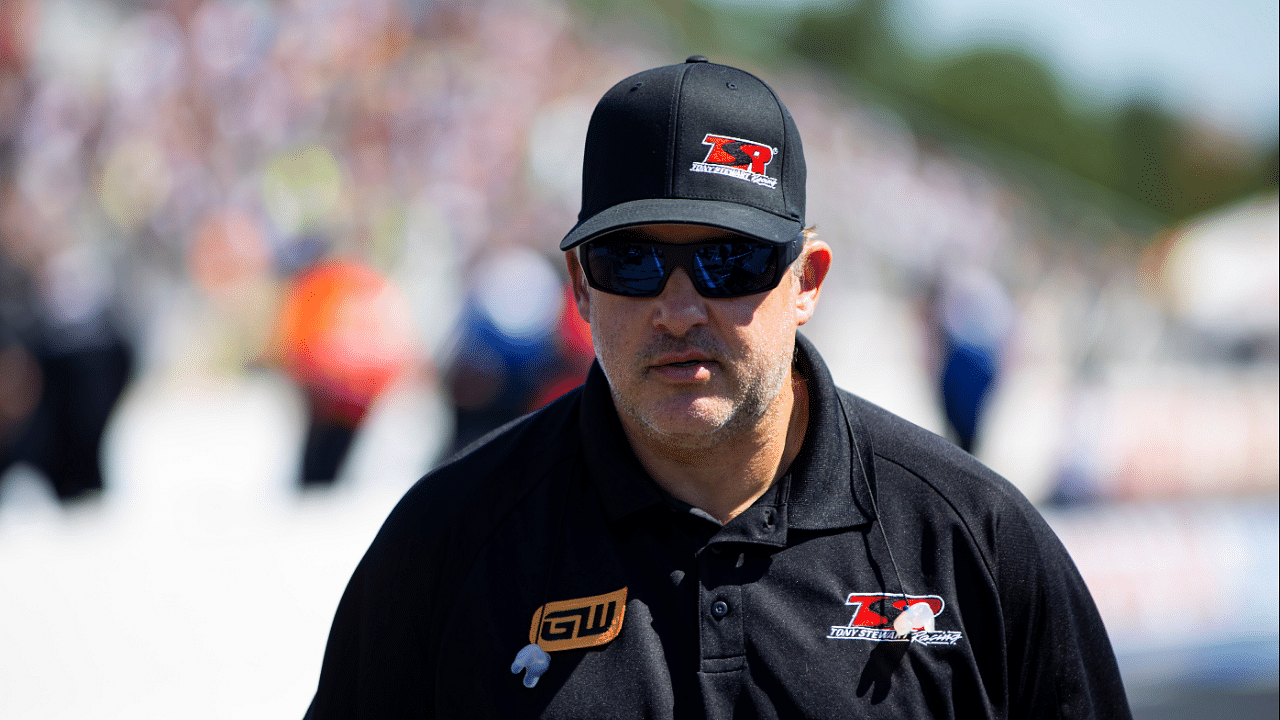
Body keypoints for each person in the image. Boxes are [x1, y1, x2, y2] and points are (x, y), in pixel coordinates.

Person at [305, 57, 1131, 719]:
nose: (677, 308)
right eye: (630, 260)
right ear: (581, 287)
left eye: (727, 260)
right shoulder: (447, 543)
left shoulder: (971, 540)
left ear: (807, 280)